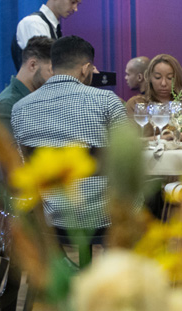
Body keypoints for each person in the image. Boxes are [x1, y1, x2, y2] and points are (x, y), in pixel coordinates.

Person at [11, 36, 128, 230]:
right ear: (85, 68)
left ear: (53, 66)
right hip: (105, 216)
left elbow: (22, 164)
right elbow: (126, 157)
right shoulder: (107, 100)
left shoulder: (20, 108)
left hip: (49, 217)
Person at [12, 0, 86, 69]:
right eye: (72, 2)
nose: (75, 8)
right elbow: (43, 68)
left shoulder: (54, 28)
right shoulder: (34, 23)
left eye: (77, 4)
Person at [0, 36, 54, 134]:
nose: (56, 77)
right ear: (33, 65)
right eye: (51, 70)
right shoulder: (6, 105)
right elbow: (6, 148)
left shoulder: (42, 99)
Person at [125, 54, 182, 137]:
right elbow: (130, 142)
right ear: (149, 78)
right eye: (158, 77)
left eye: (170, 78)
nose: (163, 83)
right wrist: (159, 139)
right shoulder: (136, 103)